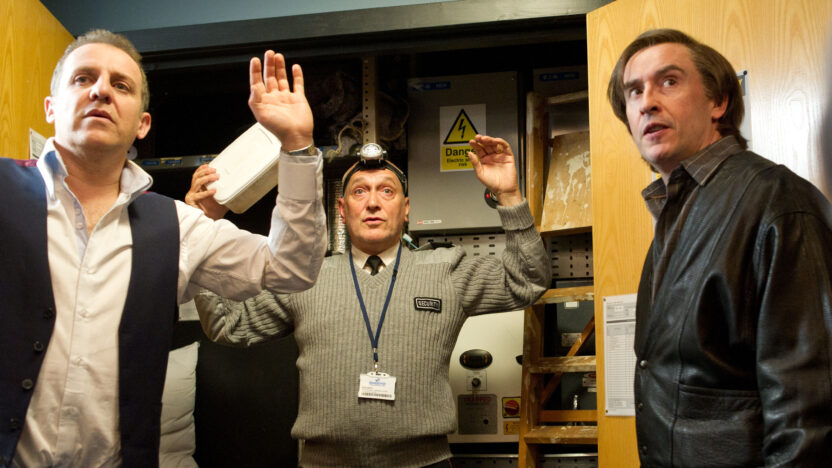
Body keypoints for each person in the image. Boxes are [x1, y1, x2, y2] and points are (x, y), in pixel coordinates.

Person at [0, 30, 327, 468]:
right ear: (51, 107)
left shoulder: (176, 225)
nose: (100, 90)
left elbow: (291, 269)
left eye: (121, 85)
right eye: (83, 78)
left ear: (143, 124)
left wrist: (297, 147)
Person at [189, 135, 550, 467]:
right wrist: (200, 229)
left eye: (386, 191)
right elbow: (228, 324)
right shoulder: (304, 278)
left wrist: (509, 195)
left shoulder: (445, 270)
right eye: (360, 191)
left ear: (406, 209)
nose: (373, 203)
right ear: (342, 209)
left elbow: (528, 280)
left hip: (424, 463)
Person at [607, 28, 832, 466]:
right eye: (634, 91)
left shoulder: (777, 200)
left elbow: (809, 411)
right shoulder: (675, 211)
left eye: (669, 81)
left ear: (719, 102)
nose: (647, 102)